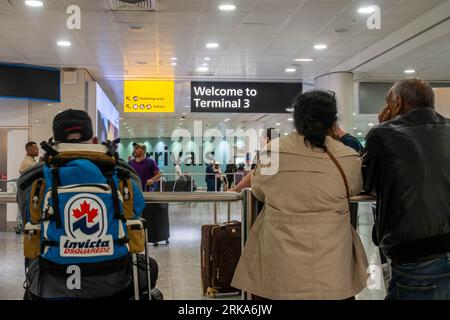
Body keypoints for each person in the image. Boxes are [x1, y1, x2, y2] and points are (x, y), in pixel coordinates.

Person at [232, 90, 368, 300]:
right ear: (332, 120)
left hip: (280, 264)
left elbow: (258, 191)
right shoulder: (348, 157)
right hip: (333, 265)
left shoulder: (273, 152)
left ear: (297, 119)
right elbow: (354, 188)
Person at [17, 109, 156, 299]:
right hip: (114, 287)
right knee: (149, 266)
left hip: (50, 284)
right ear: (94, 140)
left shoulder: (32, 178)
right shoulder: (124, 173)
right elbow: (136, 214)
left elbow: (28, 220)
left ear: (54, 141)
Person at [363, 79, 450, 300]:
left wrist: (380, 127)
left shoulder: (383, 134)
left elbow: (367, 184)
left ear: (398, 102)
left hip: (417, 251)